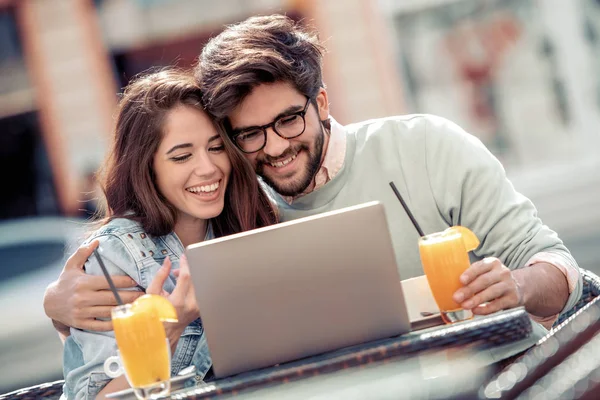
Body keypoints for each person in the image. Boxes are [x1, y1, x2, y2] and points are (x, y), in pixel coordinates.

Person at [45, 15, 580, 359]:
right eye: (248, 134)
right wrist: (61, 310)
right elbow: (158, 322)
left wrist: (517, 285)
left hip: (504, 379)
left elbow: (556, 266)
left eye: (288, 121)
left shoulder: (427, 146)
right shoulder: (235, 214)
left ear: (321, 103)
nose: (273, 147)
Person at [60, 69, 277, 398]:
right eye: (182, 156)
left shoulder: (248, 219)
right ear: (147, 167)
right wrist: (168, 330)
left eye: (216, 148)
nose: (208, 168)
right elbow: (98, 396)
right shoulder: (114, 256)